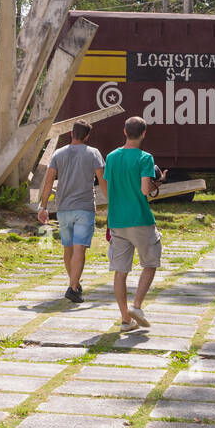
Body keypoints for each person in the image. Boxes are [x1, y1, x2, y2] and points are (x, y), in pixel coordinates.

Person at [103, 116, 166, 332]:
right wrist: (159, 182)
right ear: (144, 133)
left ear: (124, 131)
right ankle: (137, 306)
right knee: (150, 263)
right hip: (140, 218)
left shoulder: (111, 157)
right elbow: (145, 190)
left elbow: (111, 186)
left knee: (120, 271)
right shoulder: (145, 158)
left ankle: (125, 319)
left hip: (117, 221)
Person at [37, 120, 105, 303]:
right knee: (79, 248)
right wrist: (110, 202)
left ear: (71, 134)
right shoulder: (93, 153)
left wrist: (43, 207)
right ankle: (73, 287)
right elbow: (102, 179)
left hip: (63, 208)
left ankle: (73, 283)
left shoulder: (58, 154)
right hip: (84, 208)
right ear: (87, 136)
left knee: (68, 248)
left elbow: (49, 180)